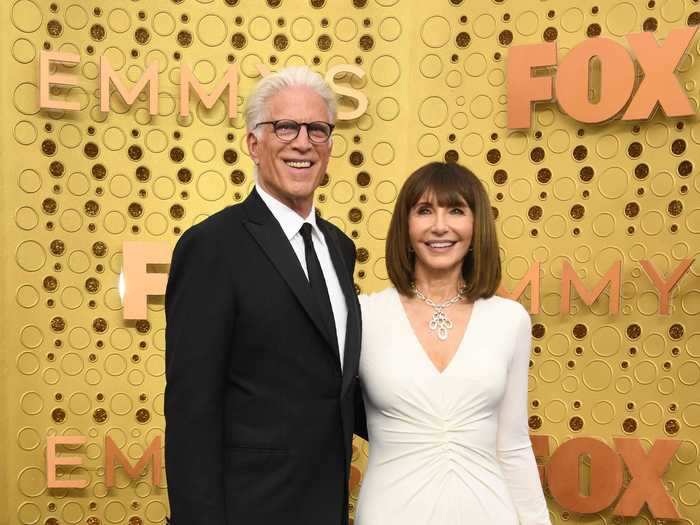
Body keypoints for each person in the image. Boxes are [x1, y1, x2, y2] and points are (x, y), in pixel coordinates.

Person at [164, 66, 363, 525]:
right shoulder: (212, 246)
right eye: (285, 127)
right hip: (247, 510)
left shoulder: (339, 247)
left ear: (330, 147)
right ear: (253, 144)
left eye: (317, 130)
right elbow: (193, 411)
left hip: (328, 507)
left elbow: (334, 384)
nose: (302, 142)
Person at [355, 162, 551, 524]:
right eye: (425, 210)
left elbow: (513, 445)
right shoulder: (363, 316)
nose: (440, 226)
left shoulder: (510, 320)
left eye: (456, 210)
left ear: (476, 227)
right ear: (405, 226)